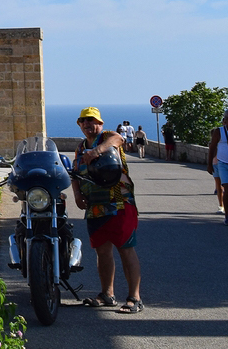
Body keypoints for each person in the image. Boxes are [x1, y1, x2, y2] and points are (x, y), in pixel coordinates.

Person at [71, 107, 143, 313]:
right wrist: (77, 194)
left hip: (119, 202)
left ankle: (134, 298)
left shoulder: (107, 136)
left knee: (125, 249)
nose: (87, 124)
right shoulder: (79, 148)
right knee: (102, 251)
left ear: (100, 123)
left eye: (92, 120)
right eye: (83, 121)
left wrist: (96, 151)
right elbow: (75, 173)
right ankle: (107, 294)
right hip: (95, 205)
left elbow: (118, 139)